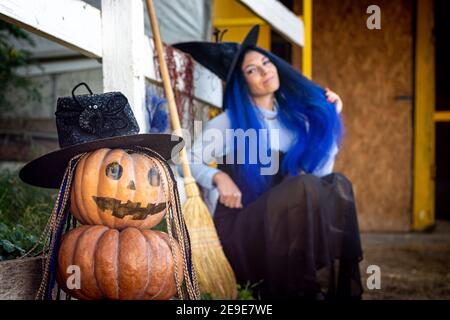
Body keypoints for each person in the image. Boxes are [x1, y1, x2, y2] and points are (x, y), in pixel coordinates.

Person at [174, 26, 363, 300]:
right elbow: (186, 161)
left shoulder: (293, 121)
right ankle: (301, 290)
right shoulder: (229, 123)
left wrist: (329, 121)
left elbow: (321, 179)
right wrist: (217, 177)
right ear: (243, 83)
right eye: (252, 70)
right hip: (244, 230)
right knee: (305, 186)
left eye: (265, 62)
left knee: (338, 184)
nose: (264, 71)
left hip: (283, 231)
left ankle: (325, 289)